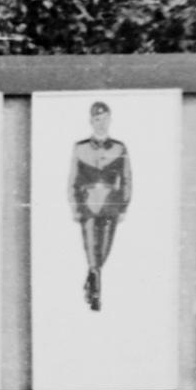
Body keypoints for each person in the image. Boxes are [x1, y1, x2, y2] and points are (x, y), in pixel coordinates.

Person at [68, 100, 131, 311]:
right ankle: (96, 295)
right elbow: (73, 181)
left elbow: (127, 179)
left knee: (104, 250)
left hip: (111, 205)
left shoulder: (119, 148)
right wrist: (75, 208)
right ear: (91, 121)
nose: (101, 123)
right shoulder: (80, 148)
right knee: (91, 249)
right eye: (97, 119)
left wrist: (123, 206)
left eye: (104, 119)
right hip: (88, 206)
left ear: (110, 120)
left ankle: (91, 279)